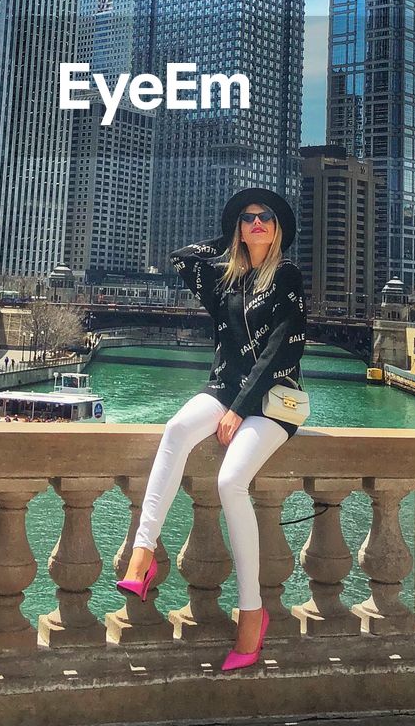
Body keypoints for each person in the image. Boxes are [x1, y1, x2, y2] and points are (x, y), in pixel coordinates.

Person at [116, 187, 307, 672]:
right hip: (224, 388)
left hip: (271, 399)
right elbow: (182, 258)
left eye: (266, 218)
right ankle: (143, 554)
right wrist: (229, 244)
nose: (257, 223)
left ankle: (251, 611)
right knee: (177, 430)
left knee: (229, 482)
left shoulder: (286, 276)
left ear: (278, 229)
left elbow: (283, 349)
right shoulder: (227, 280)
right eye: (247, 218)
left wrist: (240, 410)